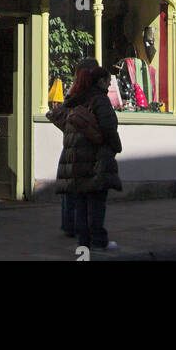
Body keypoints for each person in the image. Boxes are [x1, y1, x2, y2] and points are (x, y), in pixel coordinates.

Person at [47, 57, 122, 251]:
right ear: (98, 79)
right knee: (96, 201)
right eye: (107, 80)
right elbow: (108, 128)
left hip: (75, 159)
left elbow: (61, 121)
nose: (109, 83)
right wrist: (115, 147)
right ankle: (98, 239)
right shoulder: (99, 100)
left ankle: (84, 242)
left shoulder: (73, 100)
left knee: (81, 202)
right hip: (95, 157)